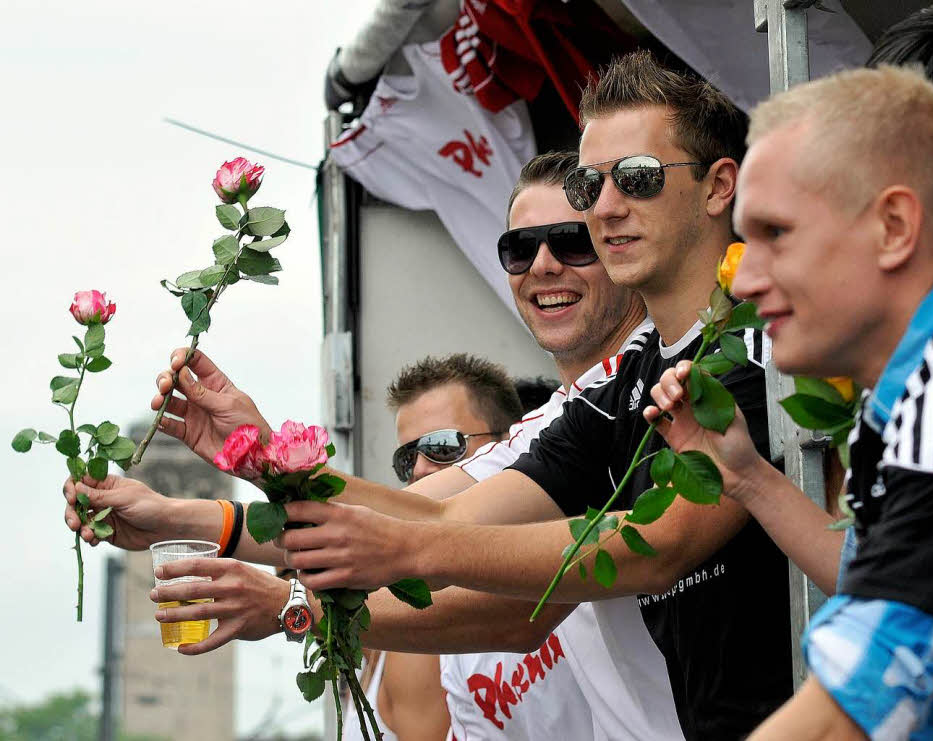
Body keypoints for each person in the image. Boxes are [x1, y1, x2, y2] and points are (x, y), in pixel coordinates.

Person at [67, 151, 689, 739]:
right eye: (520, 249)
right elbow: (426, 515)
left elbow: (518, 606)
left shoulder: (670, 381)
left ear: (620, 247)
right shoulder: (558, 422)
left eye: (571, 241)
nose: (544, 265)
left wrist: (290, 607)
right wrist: (202, 498)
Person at [264, 50, 791, 738]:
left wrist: (337, 580)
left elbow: (655, 544)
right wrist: (225, 501)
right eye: (589, 184)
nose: (607, 207)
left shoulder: (771, 338)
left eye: (637, 178)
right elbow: (446, 521)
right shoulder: (621, 387)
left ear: (722, 186)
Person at [647, 63, 933, 739]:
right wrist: (749, 478)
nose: (746, 278)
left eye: (776, 234)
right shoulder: (911, 399)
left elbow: (844, 719)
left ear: (893, 226)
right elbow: (907, 601)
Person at [339, 352, 522, 741]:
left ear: (510, 443)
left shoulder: (570, 578)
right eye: (407, 458)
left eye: (443, 445)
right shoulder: (404, 600)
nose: (420, 468)